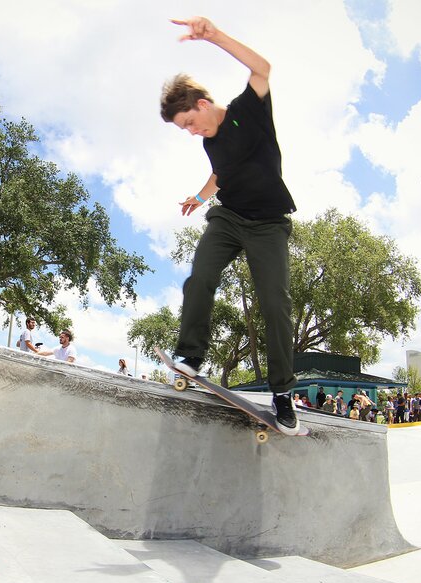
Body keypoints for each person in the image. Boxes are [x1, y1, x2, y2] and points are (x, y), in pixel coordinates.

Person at [161, 16, 299, 435]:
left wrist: (214, 36)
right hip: (228, 218)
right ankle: (190, 355)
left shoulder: (248, 111)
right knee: (200, 276)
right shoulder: (210, 141)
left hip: (269, 224)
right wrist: (200, 197)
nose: (191, 133)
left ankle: (282, 392)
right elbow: (222, 173)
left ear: (201, 104)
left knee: (275, 303)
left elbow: (263, 69)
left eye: (188, 123)